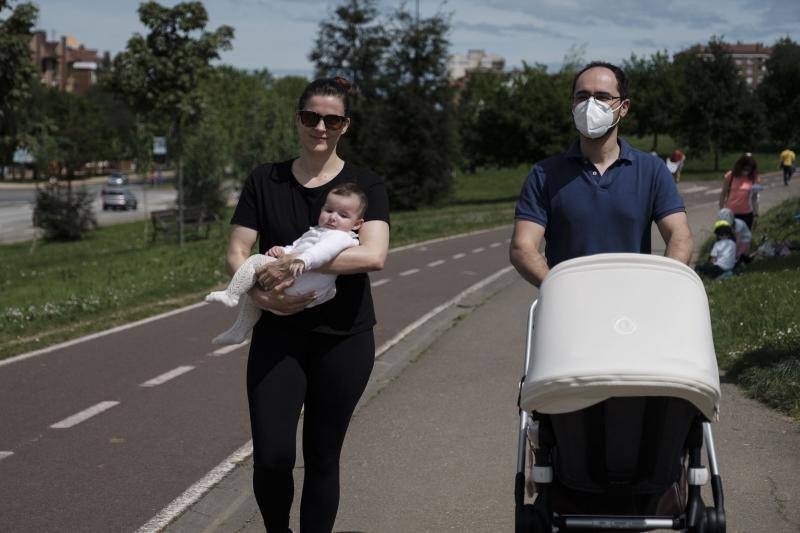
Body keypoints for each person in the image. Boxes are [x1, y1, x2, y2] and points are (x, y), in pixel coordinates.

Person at [222, 76, 390, 532]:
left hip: (343, 339)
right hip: (278, 336)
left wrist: (295, 263)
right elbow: (237, 249)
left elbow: (373, 254)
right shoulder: (265, 179)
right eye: (311, 117)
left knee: (321, 456)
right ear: (298, 119)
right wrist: (257, 290)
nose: (320, 126)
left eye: (331, 119)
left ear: (345, 125)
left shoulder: (365, 184)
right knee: (274, 456)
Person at [510, 61, 693, 287]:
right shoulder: (544, 174)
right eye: (582, 96)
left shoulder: (652, 170)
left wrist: (663, 286)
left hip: (633, 307)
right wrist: (558, 289)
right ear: (572, 104)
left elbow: (680, 236)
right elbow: (522, 247)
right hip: (568, 308)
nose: (590, 105)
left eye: (603, 97)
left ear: (623, 107)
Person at [207, 183, 366, 345]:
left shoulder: (340, 236)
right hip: (299, 287)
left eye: (343, 215)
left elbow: (324, 251)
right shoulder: (317, 231)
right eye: (329, 210)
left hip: (300, 283)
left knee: (255, 261)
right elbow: (296, 247)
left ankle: (231, 294)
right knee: (254, 296)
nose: (333, 217)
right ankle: (239, 331)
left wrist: (304, 259)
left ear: (357, 224)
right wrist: (282, 251)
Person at [719, 153, 760, 230]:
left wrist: (756, 215)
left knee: (744, 239)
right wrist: (721, 210)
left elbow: (754, 198)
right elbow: (723, 194)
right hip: (730, 213)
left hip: (747, 214)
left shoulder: (754, 178)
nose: (746, 171)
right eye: (744, 169)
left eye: (749, 169)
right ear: (739, 166)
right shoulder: (730, 175)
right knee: (731, 237)